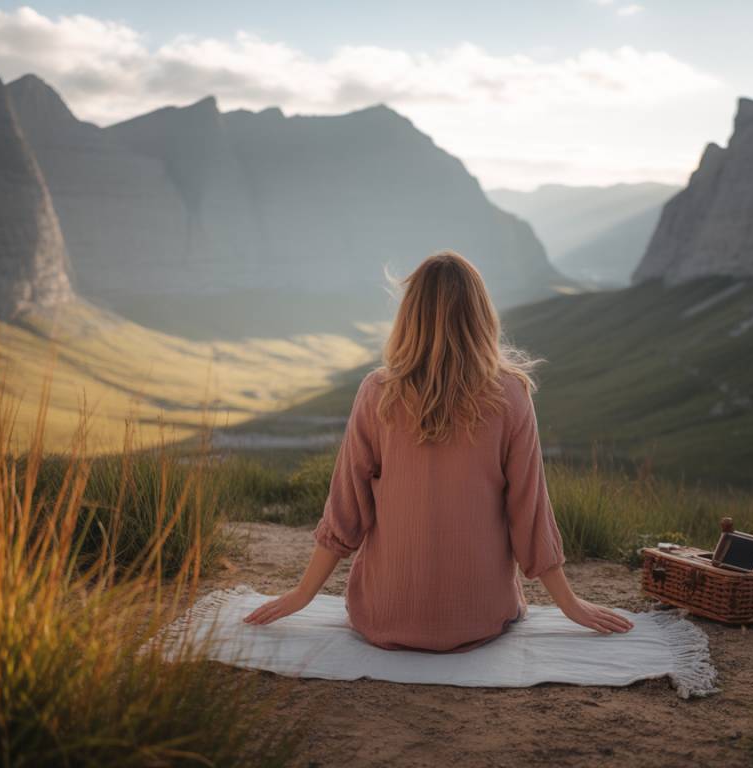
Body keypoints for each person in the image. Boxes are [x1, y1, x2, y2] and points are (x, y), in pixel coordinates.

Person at [243, 251, 632, 651]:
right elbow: (528, 510)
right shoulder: (511, 394)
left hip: (383, 616)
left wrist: (302, 595)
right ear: (481, 315)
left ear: (410, 315)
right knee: (504, 594)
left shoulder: (378, 392)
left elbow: (345, 509)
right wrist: (570, 605)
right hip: (479, 618)